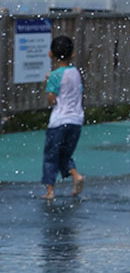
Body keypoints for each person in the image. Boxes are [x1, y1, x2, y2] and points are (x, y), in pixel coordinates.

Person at [42, 34, 84, 200]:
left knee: (51, 156)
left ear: (50, 54)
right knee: (65, 154)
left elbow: (52, 99)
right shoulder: (75, 72)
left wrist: (49, 81)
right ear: (72, 54)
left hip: (59, 121)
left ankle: (50, 191)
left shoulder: (54, 76)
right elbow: (76, 92)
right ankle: (75, 176)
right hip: (76, 121)